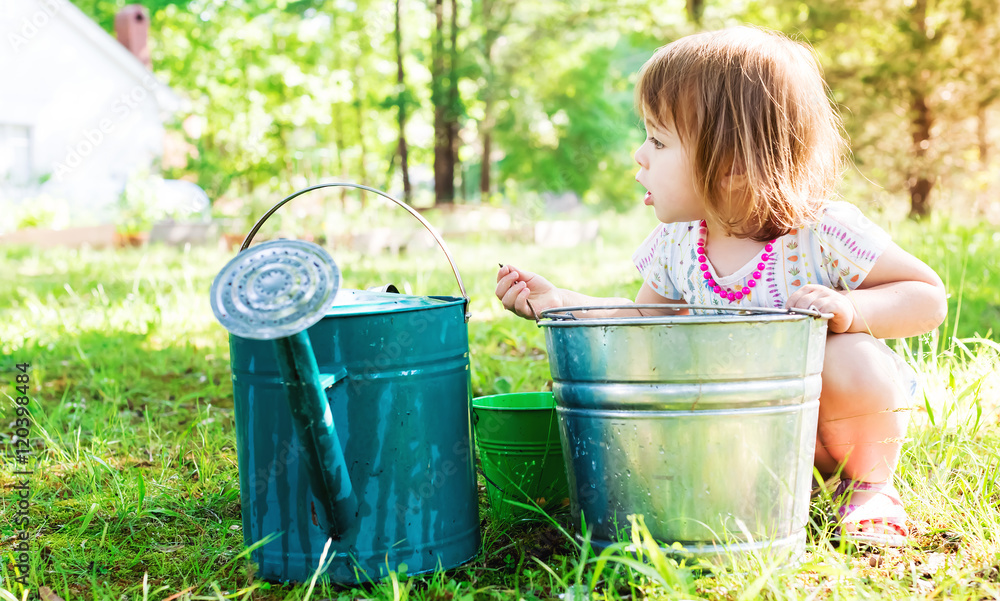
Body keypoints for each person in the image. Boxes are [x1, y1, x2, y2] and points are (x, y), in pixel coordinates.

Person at [495, 26, 947, 547]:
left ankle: (870, 487)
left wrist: (848, 308)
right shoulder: (678, 243)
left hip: (837, 429)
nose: (640, 156)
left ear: (731, 166)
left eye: (659, 141)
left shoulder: (821, 232)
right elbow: (644, 322)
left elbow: (926, 296)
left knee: (849, 356)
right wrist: (561, 303)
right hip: (746, 443)